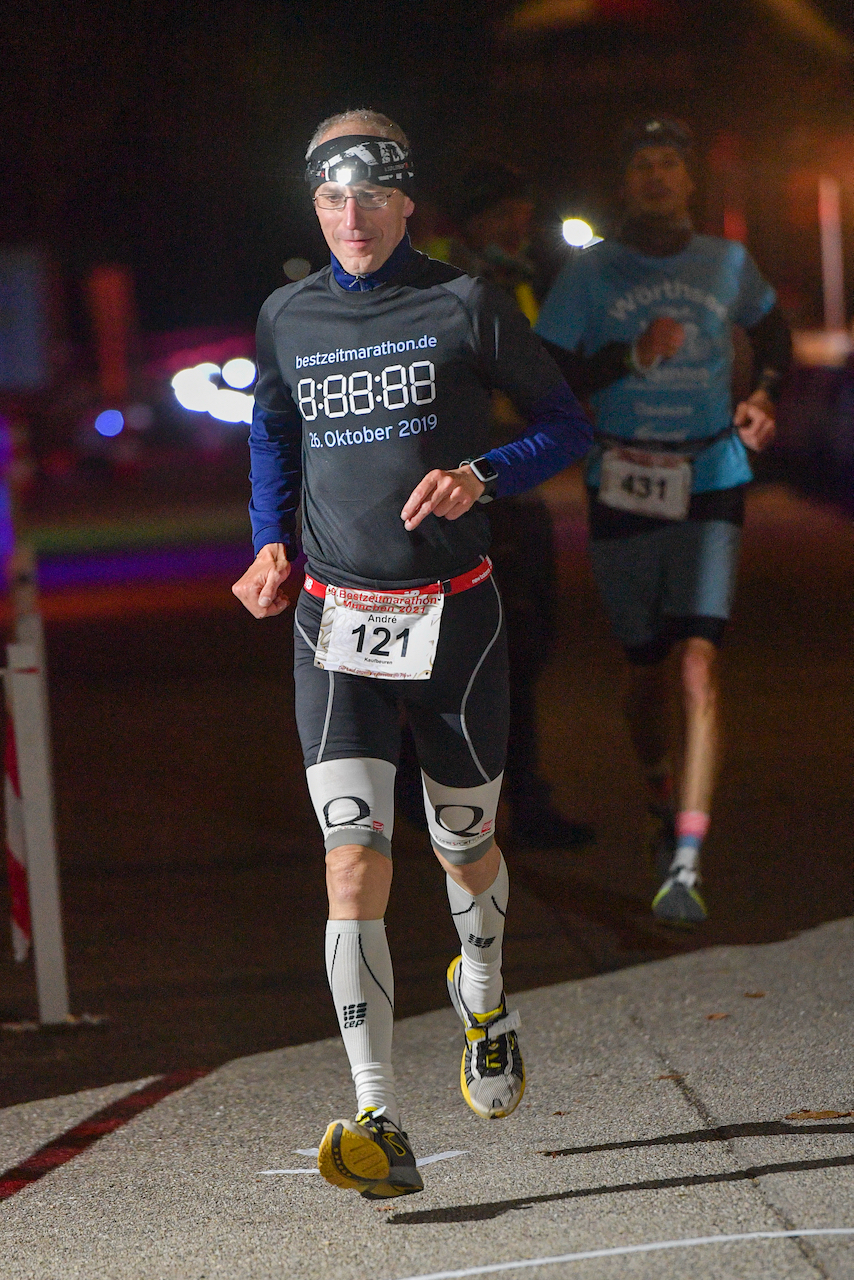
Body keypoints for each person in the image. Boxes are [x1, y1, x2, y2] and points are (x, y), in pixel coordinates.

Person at [232, 109, 592, 1200]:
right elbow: (274, 430)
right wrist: (267, 540)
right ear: (313, 205)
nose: (350, 219)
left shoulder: (463, 303)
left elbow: (567, 425)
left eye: (369, 198)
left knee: (460, 844)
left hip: (456, 619)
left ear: (404, 201)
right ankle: (377, 1112)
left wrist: (483, 473)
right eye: (330, 200)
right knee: (352, 858)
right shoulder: (285, 315)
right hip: (333, 623)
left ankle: (481, 992)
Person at [535, 117, 791, 926]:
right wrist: (628, 360)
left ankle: (685, 859)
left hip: (712, 469)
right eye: (640, 164)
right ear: (625, 185)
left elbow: (771, 328)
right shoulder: (592, 272)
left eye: (668, 165)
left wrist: (762, 395)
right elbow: (551, 368)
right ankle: (657, 791)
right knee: (645, 670)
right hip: (626, 478)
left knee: (696, 665)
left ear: (688, 182)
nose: (654, 176)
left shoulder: (726, 263)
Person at [401, 165, 594, 850]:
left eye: (525, 211)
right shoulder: (448, 271)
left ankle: (499, 793)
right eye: (506, 212)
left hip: (510, 475)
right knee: (464, 645)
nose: (520, 225)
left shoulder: (518, 276)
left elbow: (544, 370)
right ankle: (440, 788)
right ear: (474, 219)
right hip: (455, 481)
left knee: (525, 639)